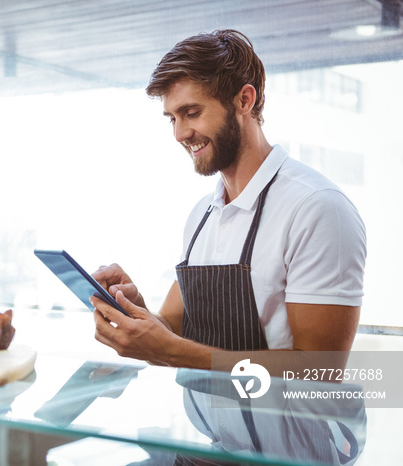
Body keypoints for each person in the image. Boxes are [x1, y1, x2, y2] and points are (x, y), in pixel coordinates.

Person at [90, 29, 366, 370]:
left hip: (287, 424)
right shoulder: (202, 215)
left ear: (244, 101)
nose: (179, 134)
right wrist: (136, 313)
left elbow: (320, 370)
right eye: (172, 118)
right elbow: (174, 332)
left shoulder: (317, 208)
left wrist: (170, 351)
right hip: (210, 424)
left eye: (191, 113)